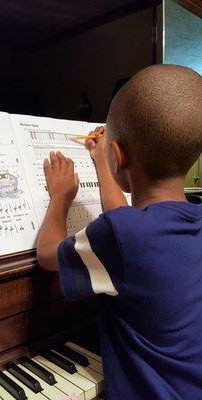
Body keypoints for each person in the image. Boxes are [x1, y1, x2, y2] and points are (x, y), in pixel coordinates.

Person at [37, 65, 202, 400]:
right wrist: (102, 162)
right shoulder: (153, 228)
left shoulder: (124, 234)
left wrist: (60, 197)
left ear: (119, 154)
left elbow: (47, 254)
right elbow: (126, 222)